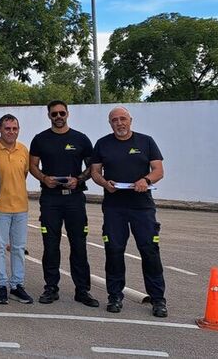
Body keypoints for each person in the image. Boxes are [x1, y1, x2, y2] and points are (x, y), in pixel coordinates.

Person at [90, 106, 168, 318]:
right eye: (115, 120)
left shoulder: (146, 141)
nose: (119, 123)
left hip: (142, 207)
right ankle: (115, 296)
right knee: (114, 251)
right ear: (110, 123)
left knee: (149, 251)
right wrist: (105, 183)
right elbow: (95, 172)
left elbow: (158, 170)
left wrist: (146, 180)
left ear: (130, 120)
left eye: (123, 119)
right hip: (114, 207)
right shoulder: (103, 144)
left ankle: (158, 299)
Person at [28, 100, 99, 308]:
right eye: (54, 114)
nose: (58, 116)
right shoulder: (40, 139)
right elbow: (33, 166)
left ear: (68, 113)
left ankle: (82, 290)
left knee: (79, 245)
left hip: (75, 199)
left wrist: (79, 179)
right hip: (50, 199)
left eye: (61, 113)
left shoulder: (81, 139)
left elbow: (92, 167)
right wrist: (44, 178)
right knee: (50, 245)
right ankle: (51, 288)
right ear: (48, 116)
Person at [0, 114, 34, 305]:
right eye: (7, 128)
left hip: (21, 207)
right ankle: (1, 285)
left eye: (14, 128)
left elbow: (23, 174)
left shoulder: (23, 149)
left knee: (18, 248)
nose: (11, 132)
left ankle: (16, 285)